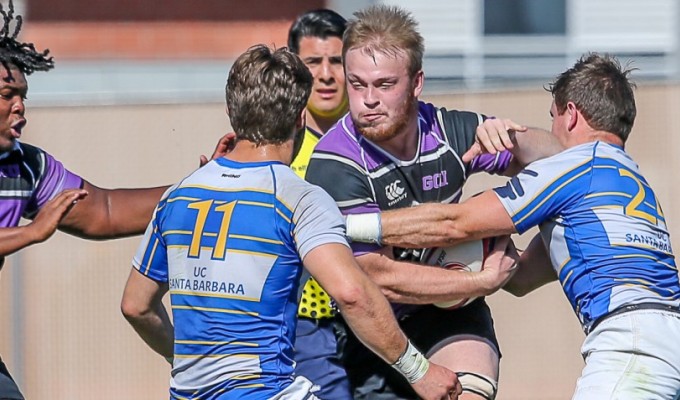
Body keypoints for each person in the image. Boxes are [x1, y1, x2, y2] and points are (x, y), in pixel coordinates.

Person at [120, 44, 463, 400]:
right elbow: (352, 294)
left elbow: (136, 305)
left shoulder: (177, 196)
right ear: (301, 117)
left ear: (231, 111)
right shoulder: (297, 198)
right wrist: (419, 371)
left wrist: (186, 362)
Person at [346, 53, 680, 399]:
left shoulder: (575, 166)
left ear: (570, 115)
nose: (551, 132)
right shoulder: (629, 180)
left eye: (551, 118)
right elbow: (521, 277)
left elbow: (455, 223)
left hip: (631, 345)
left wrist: (345, 226)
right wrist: (478, 270)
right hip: (666, 339)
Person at [305, 5, 561, 400]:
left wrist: (514, 137)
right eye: (357, 85)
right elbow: (378, 277)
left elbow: (559, 157)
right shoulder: (334, 161)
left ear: (416, 82)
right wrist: (477, 282)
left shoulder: (447, 130)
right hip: (376, 327)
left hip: (449, 315)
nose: (368, 100)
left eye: (385, 85)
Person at [0, 1, 228, 397]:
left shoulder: (25, 166)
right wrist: (32, 232)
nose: (20, 107)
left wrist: (198, 190)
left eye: (23, 95)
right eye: (6, 94)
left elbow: (103, 210)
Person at [285, 9, 354, 399]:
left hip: (382, 312)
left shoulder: (375, 141)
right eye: (313, 62)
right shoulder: (278, 148)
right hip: (308, 323)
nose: (326, 74)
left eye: (337, 61)